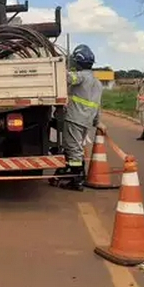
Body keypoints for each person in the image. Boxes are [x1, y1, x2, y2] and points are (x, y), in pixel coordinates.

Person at [49, 44, 103, 191]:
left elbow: (65, 77)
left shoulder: (81, 77)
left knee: (74, 149)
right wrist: (98, 122)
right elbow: (98, 105)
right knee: (74, 147)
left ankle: (77, 180)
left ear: (78, 62)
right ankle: (72, 174)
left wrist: (60, 64)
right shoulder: (97, 83)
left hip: (74, 118)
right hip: (85, 120)